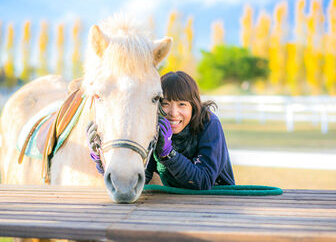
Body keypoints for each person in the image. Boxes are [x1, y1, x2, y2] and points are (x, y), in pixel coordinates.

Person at [87, 71, 235, 190]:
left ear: (194, 106)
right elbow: (140, 179)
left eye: (182, 104)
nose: (173, 113)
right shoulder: (156, 127)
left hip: (217, 201)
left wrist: (169, 155)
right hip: (175, 205)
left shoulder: (209, 124)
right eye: (165, 103)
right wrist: (101, 161)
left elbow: (204, 181)